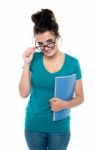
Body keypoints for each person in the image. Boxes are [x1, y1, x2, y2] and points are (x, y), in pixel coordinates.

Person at [19, 8, 84, 150]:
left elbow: (80, 97)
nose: (46, 48)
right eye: (40, 44)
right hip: (33, 127)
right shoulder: (33, 60)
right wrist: (26, 63)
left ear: (57, 37)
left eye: (50, 42)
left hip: (59, 129)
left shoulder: (73, 63)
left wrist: (64, 105)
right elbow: (23, 94)